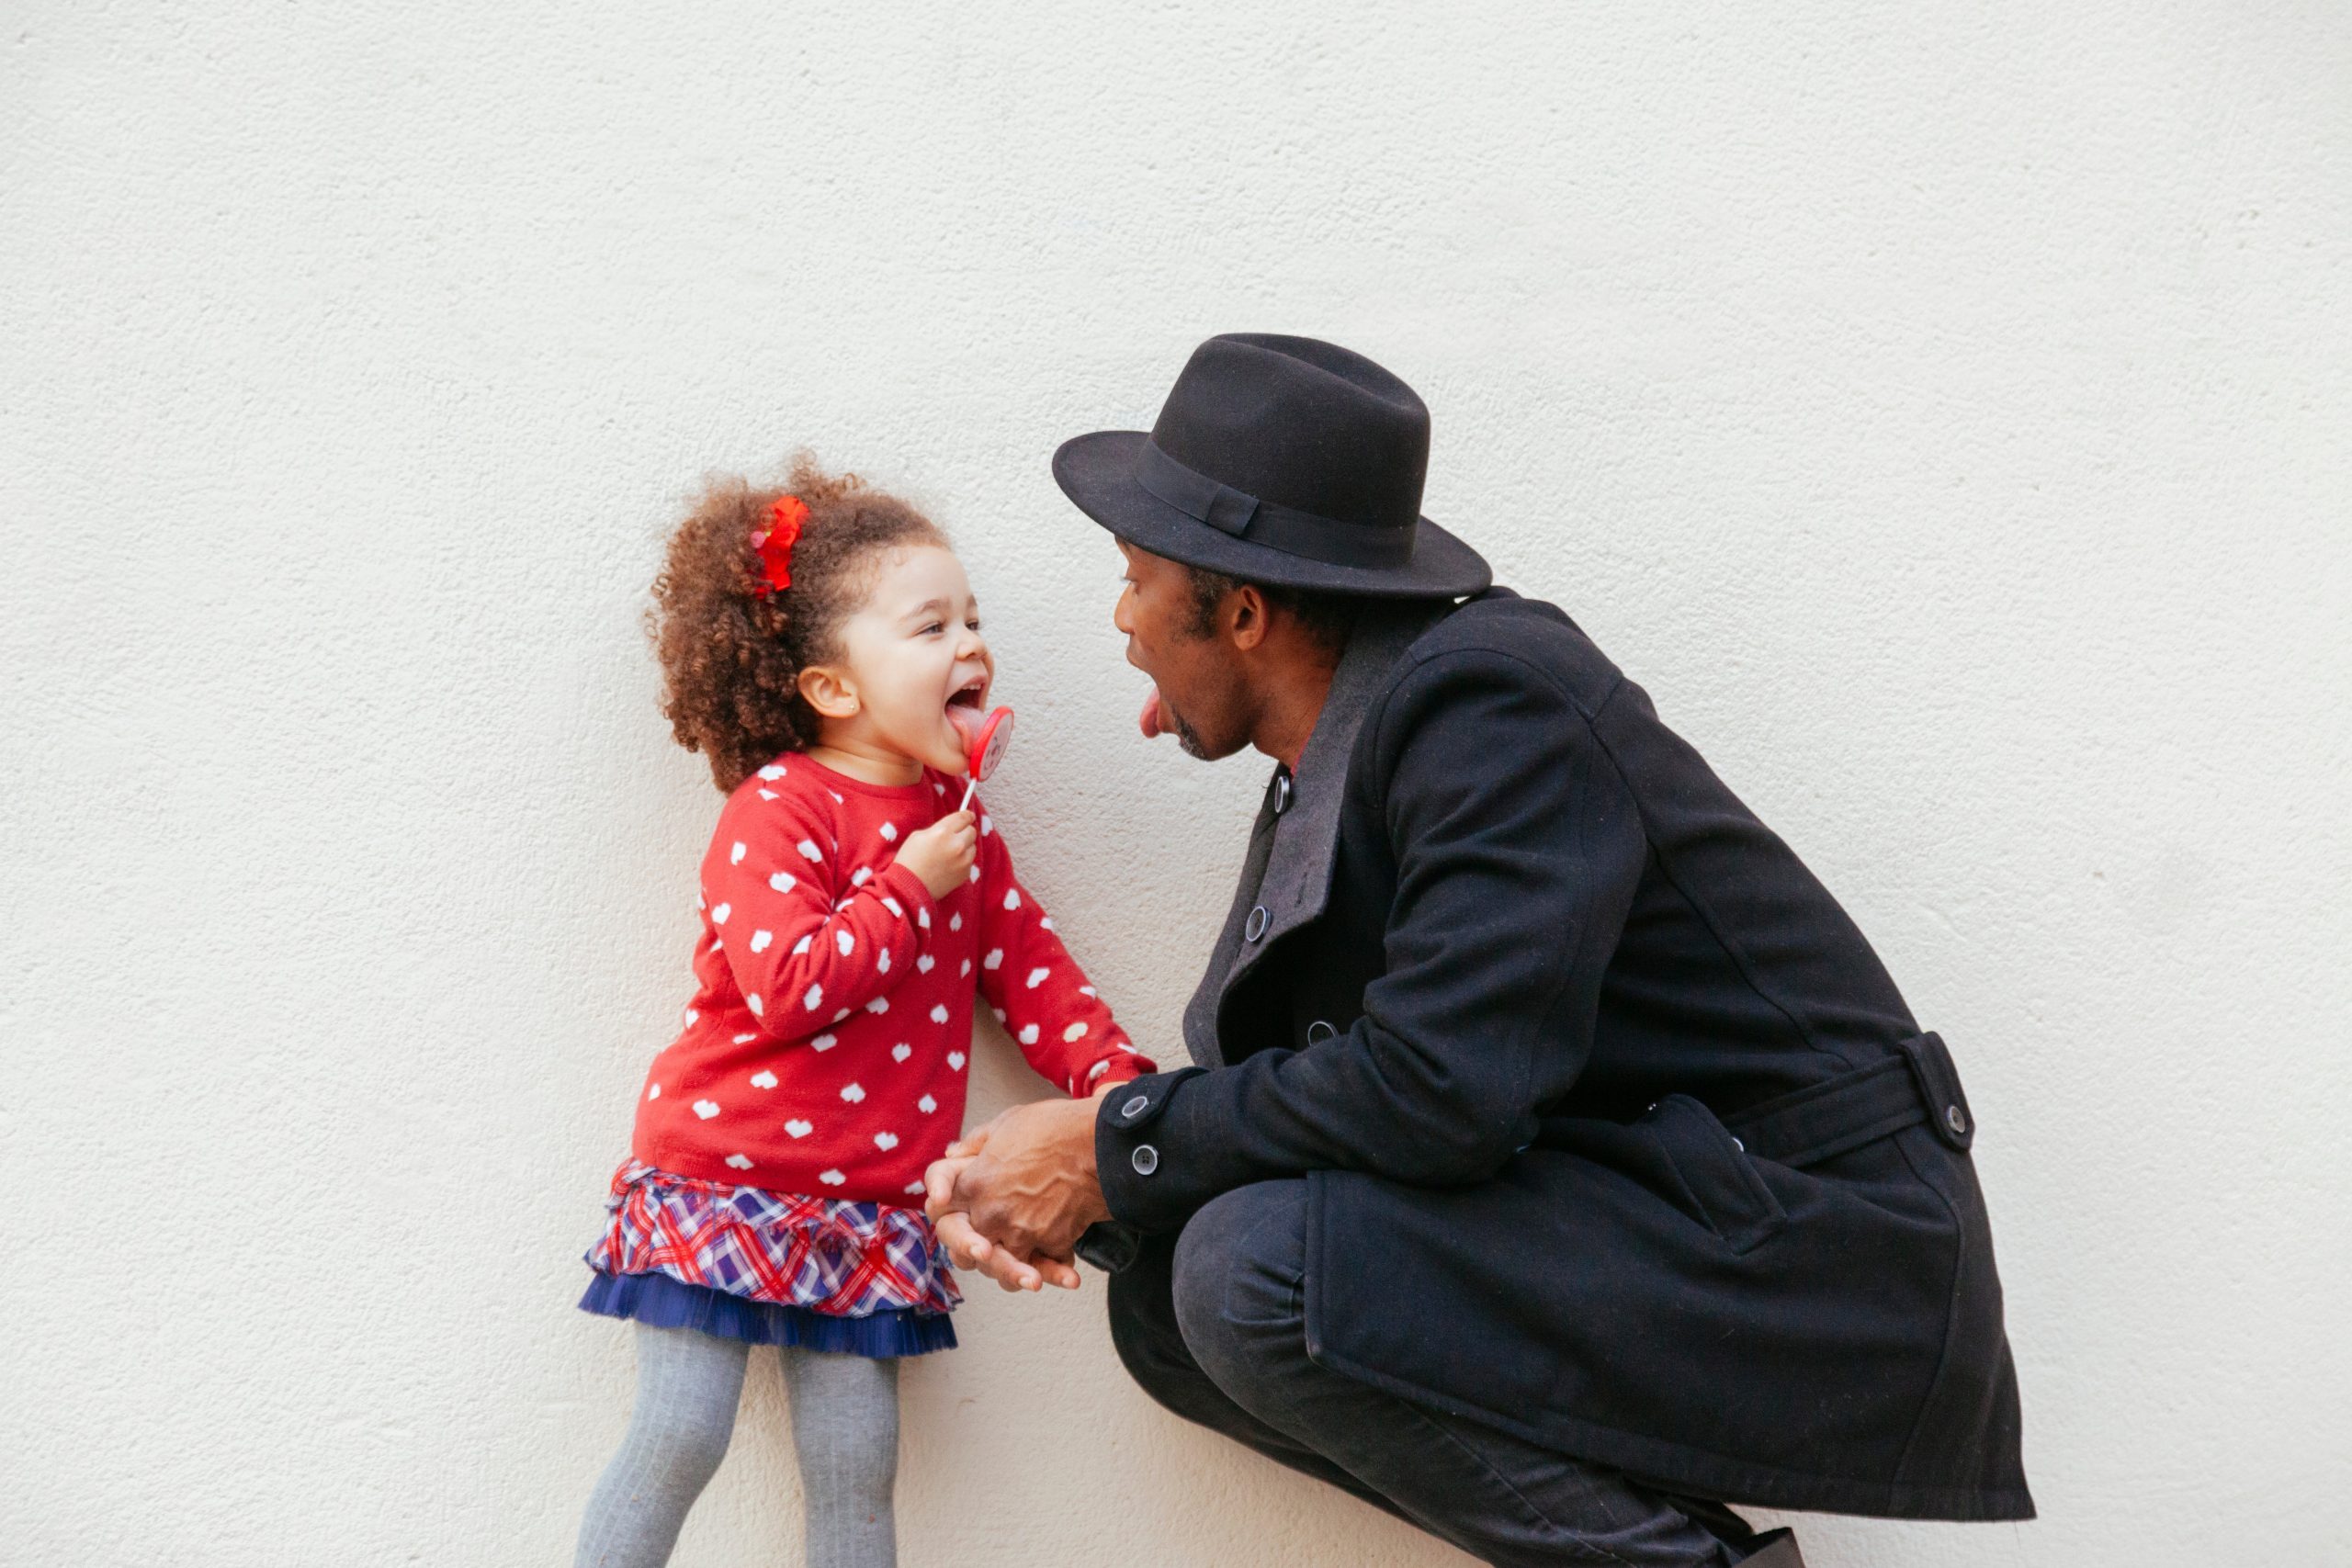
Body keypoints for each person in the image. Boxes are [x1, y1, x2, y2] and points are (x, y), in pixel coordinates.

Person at [926, 335, 2032, 1567]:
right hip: (1652, 1209)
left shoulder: (1494, 703)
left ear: (1240, 612)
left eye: (1135, 579)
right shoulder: (1342, 758)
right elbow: (1318, 1109)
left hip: (1810, 1243)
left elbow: (1442, 1088)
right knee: (1176, 1292)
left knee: (1255, 1269)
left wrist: (1110, 1142)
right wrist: (1078, 1186)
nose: (1122, 620)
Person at [572, 460, 1154, 1568]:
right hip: (722, 1182)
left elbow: (1029, 972)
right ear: (833, 689)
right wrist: (905, 886)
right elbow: (786, 983)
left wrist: (1112, 1078)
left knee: (856, 1464)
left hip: (868, 1207)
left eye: (974, 620)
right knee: (678, 1438)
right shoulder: (777, 809)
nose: (971, 645)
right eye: (931, 625)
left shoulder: (957, 827)